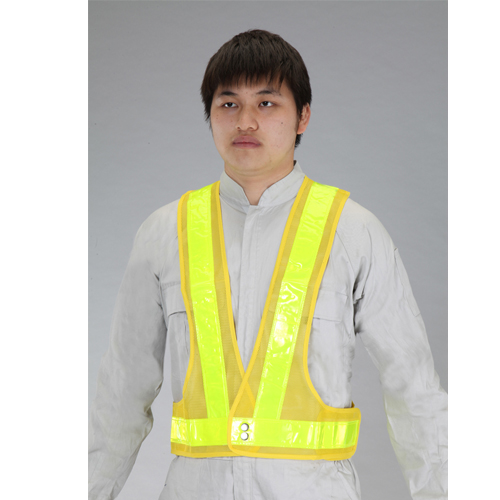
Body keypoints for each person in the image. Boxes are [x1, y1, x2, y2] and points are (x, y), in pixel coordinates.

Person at [89, 29, 448, 500]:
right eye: (228, 104)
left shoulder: (353, 232)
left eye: (266, 103)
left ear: (303, 116)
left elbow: (414, 391)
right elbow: (121, 391)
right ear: (210, 115)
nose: (246, 122)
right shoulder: (164, 233)